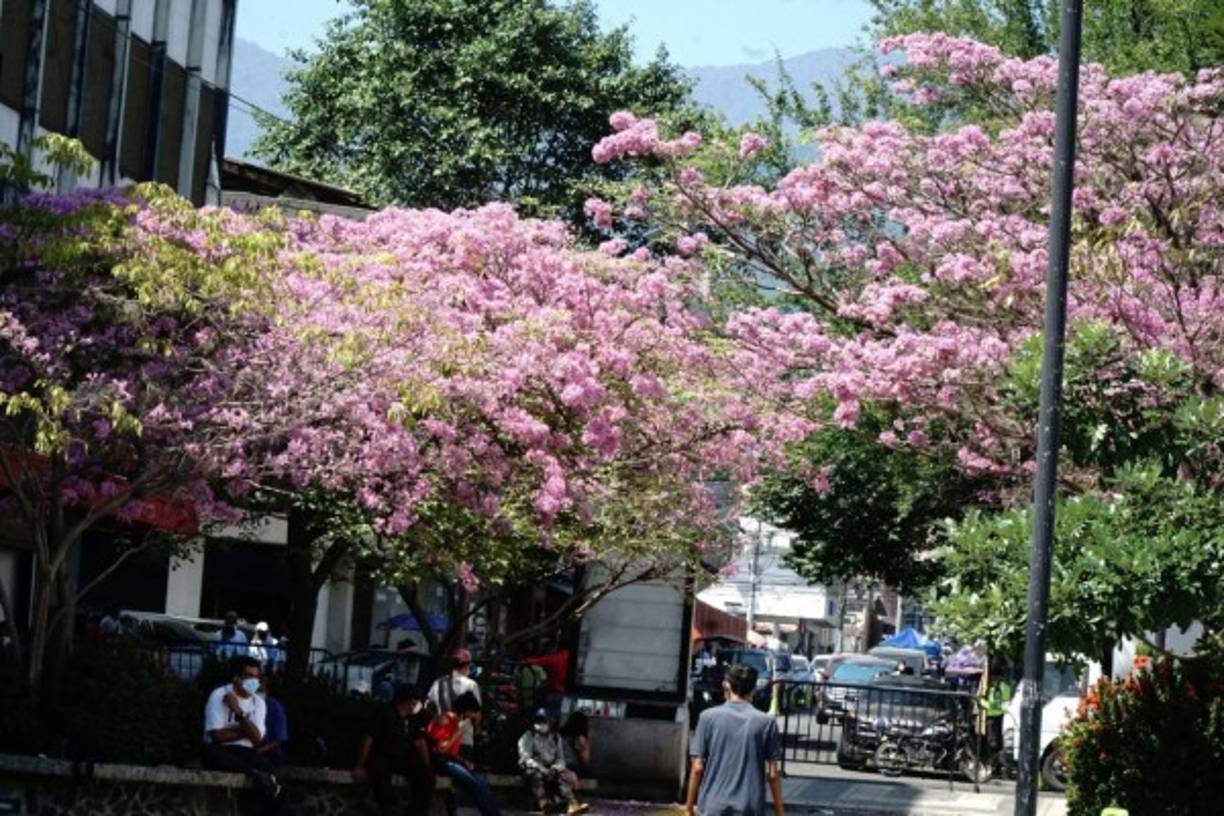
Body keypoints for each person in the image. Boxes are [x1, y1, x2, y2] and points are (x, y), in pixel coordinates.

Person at [686, 664, 784, 816]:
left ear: (726, 685)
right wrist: (780, 811)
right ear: (754, 689)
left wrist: (689, 808)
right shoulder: (766, 722)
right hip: (749, 807)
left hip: (713, 806)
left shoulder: (707, 717)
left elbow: (697, 768)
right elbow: (773, 774)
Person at [202, 656, 282, 814]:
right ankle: (252, 773)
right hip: (221, 749)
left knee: (272, 776)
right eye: (249, 677)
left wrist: (238, 712)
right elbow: (217, 735)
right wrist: (247, 731)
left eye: (257, 677)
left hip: (246, 752)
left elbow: (257, 739)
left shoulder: (258, 702)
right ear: (236, 678)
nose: (254, 681)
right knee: (215, 754)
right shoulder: (219, 695)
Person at [353, 684, 435, 816]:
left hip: (403, 758)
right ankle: (389, 810)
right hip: (383, 756)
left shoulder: (412, 718)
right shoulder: (385, 713)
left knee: (426, 777)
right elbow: (368, 738)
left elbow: (419, 742)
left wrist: (426, 765)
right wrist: (359, 765)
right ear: (408, 701)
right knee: (380, 777)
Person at [427, 691, 501, 816]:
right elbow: (440, 749)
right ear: (466, 711)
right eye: (473, 713)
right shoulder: (446, 719)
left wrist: (463, 761)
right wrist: (457, 731)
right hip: (439, 760)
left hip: (450, 759)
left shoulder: (458, 720)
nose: (474, 716)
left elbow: (451, 752)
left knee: (480, 781)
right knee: (472, 782)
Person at [519, 708, 589, 814]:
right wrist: (543, 770)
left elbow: (560, 758)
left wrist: (555, 768)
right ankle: (545, 804)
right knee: (535, 776)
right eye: (539, 721)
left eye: (544, 721)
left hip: (551, 767)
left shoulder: (556, 738)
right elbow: (526, 758)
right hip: (535, 768)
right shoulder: (528, 736)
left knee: (562, 776)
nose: (542, 724)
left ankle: (572, 804)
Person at [428, 648, 482, 752]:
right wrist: (477, 727)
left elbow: (428, 705)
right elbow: (476, 714)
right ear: (466, 666)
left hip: (440, 738)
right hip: (463, 740)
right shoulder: (471, 685)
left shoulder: (439, 682)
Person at [255, 677, 289, 767]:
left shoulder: (275, 707)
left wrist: (259, 751)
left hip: (266, 749)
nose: (256, 693)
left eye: (260, 690)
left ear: (267, 690)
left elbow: (278, 739)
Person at [559, 710, 591, 779]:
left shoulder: (561, 735)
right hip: (571, 767)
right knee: (590, 770)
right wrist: (587, 745)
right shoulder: (579, 738)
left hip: (558, 764)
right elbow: (584, 759)